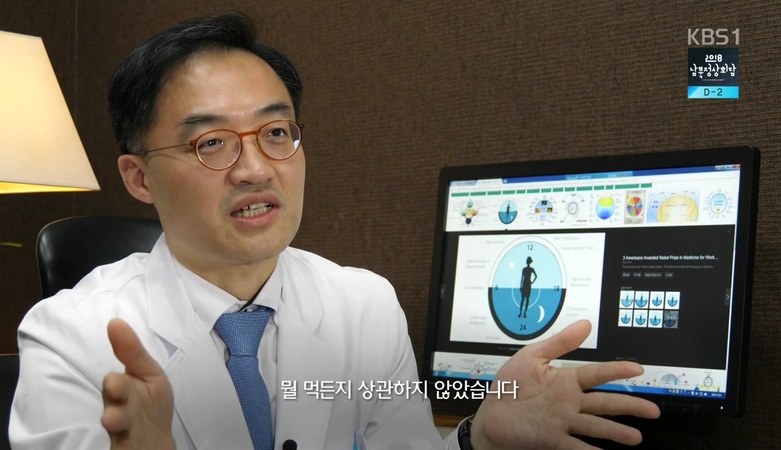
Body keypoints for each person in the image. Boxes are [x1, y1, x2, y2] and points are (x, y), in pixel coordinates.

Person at [9, 13, 659, 450]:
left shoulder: (362, 304)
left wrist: (477, 438)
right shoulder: (69, 336)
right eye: (212, 143)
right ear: (139, 177)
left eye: (276, 132)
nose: (256, 168)